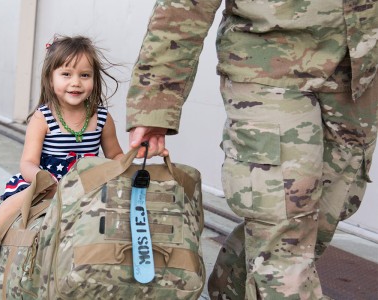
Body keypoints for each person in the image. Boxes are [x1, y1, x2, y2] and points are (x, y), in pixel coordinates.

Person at [126, 1, 377, 299]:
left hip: (359, 72)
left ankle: (229, 291)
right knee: (284, 231)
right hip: (270, 67)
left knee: (323, 218)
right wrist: (155, 103)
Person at [0, 35, 124, 283]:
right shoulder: (43, 117)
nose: (76, 83)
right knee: (27, 196)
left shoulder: (101, 118)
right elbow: (27, 162)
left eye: (85, 75)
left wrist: (133, 157)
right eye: (66, 74)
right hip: (47, 181)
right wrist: (40, 178)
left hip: (85, 184)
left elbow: (115, 156)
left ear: (94, 79)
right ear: (50, 77)